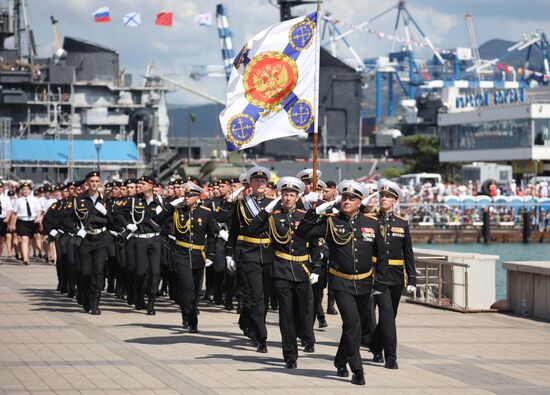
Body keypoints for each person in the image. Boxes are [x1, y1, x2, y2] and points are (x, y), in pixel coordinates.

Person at [296, 180, 388, 386]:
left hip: (365, 283)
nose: (347, 201)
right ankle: (357, 369)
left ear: (359, 202)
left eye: (352, 198)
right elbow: (301, 234)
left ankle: (340, 359)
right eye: (344, 197)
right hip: (341, 283)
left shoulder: (372, 224)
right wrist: (313, 212)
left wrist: (379, 281)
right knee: (352, 324)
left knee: (354, 327)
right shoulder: (330, 222)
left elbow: (381, 255)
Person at [246, 176, 319, 368]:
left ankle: (304, 337)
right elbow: (252, 229)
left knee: (302, 313)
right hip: (281, 271)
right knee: (286, 315)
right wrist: (268, 209)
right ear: (280, 196)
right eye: (285, 195)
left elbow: (315, 244)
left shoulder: (304, 217)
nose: (287, 198)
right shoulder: (273, 217)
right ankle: (290, 354)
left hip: (302, 270)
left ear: (297, 197)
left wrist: (317, 267)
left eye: (291, 195)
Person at [152, 182, 220, 333]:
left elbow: (212, 235)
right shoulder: (177, 211)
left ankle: (189, 313)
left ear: (197, 197)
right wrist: (170, 206)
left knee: (195, 290)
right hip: (180, 253)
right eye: (185, 195)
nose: (186, 198)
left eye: (190, 196)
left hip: (198, 255)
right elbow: (156, 221)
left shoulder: (206, 212)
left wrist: (211, 254)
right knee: (187, 287)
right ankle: (191, 320)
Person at [369, 179, 416, 370]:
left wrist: (412, 278)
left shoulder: (402, 223)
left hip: (396, 276)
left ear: (395, 200)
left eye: (388, 196)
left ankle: (375, 344)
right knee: (386, 313)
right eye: (382, 195)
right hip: (377, 276)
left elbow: (408, 253)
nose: (383, 199)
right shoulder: (371, 220)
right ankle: (391, 356)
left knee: (390, 315)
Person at [228, 166, 274, 353]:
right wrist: (229, 253)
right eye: (256, 181)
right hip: (249, 254)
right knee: (256, 297)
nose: (260, 184)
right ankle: (260, 336)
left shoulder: (274, 203)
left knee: (265, 296)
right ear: (251, 184)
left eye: (263, 181)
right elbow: (235, 230)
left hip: (269, 254)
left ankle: (249, 322)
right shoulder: (241, 205)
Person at [117, 176, 164, 315]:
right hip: (140, 239)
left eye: (142, 183)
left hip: (155, 240)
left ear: (151, 185)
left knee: (155, 272)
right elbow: (117, 213)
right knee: (140, 272)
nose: (139, 186)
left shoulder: (160, 200)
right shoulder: (134, 200)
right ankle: (138, 296)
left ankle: (151, 303)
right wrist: (128, 225)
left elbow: (168, 217)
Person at [73, 171, 113, 315]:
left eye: (97, 181)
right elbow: (68, 218)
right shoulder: (79, 199)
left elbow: (113, 221)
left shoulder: (105, 199)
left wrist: (106, 213)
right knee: (85, 272)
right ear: (87, 183)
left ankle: (95, 302)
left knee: (98, 270)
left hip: (101, 239)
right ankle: (84, 295)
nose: (95, 184)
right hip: (86, 239)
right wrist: (77, 230)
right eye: (92, 181)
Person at [10, 182, 43, 266]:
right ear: (21, 191)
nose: (25, 191)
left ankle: (27, 256)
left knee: (30, 242)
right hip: (22, 221)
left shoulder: (34, 200)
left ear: (30, 191)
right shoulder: (18, 200)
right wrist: (12, 224)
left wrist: (38, 218)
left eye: (27, 189)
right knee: (24, 239)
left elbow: (38, 210)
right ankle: (25, 259)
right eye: (23, 189)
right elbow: (14, 213)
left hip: (32, 221)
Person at [0, 181, 14, 259]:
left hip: (3, 220)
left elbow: (9, 210)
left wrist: (8, 218)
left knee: (1, 240)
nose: (0, 189)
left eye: (1, 187)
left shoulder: (6, 198)